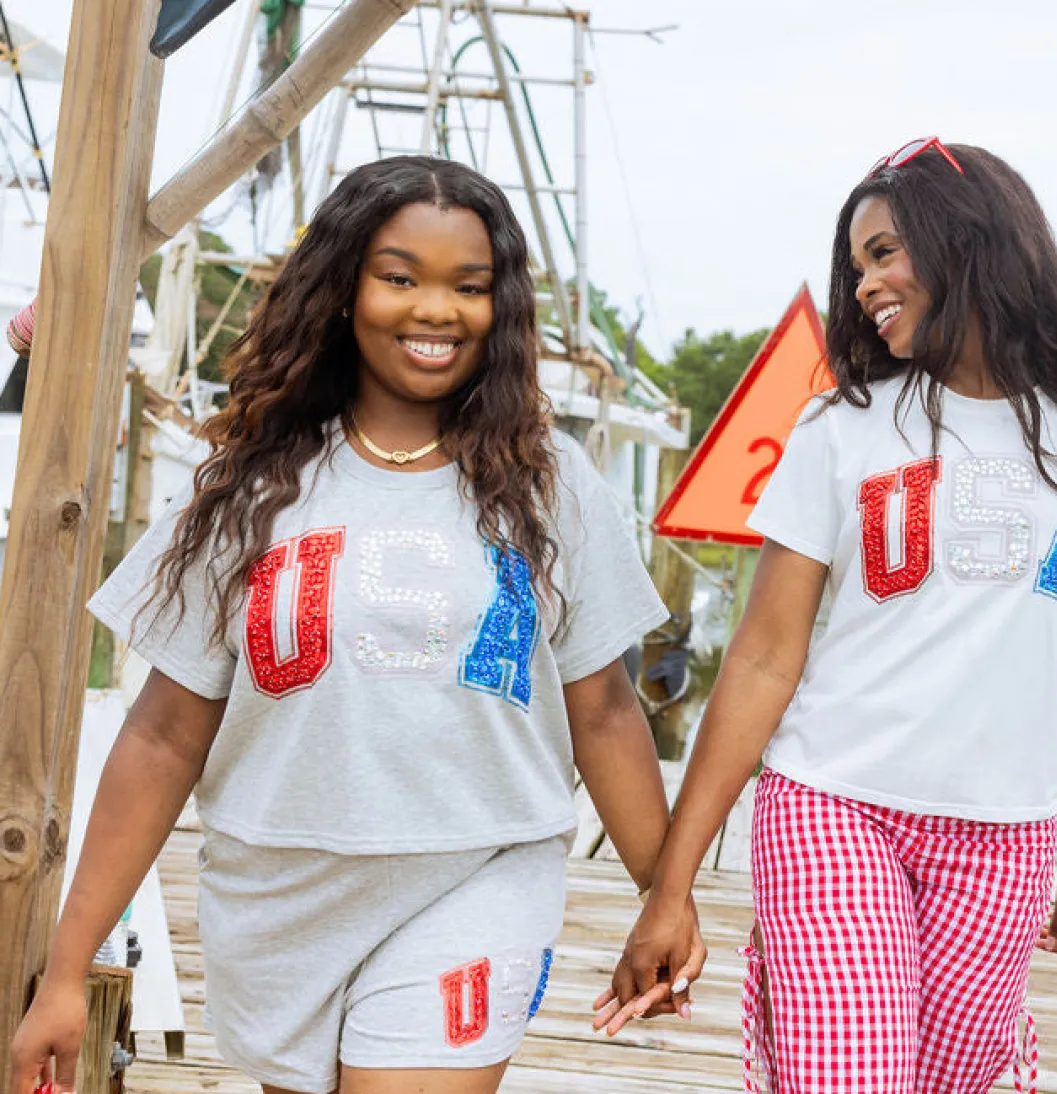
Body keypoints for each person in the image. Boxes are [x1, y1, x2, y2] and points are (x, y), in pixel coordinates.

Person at [9, 155, 700, 1094]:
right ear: (342, 290)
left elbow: (610, 711)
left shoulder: (550, 483)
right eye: (400, 277)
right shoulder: (243, 488)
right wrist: (65, 966)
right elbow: (166, 734)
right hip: (279, 896)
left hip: (478, 871)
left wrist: (666, 899)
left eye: (469, 285)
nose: (435, 310)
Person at [596, 138, 1057, 1092]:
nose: (864, 285)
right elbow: (765, 659)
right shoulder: (844, 425)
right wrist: (673, 885)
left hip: (1006, 832)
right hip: (832, 803)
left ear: (970, 240)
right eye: (856, 263)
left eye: (886, 252)